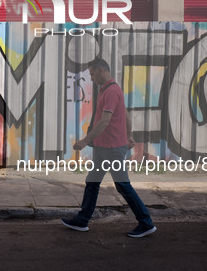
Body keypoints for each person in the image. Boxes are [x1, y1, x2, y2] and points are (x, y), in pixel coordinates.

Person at [61, 58, 156, 238]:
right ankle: (82, 220)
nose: (92, 78)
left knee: (123, 186)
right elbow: (126, 116)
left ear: (102, 70)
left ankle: (146, 222)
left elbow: (105, 121)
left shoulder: (111, 91)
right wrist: (128, 136)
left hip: (111, 150)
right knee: (92, 182)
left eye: (93, 74)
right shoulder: (109, 90)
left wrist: (85, 140)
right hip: (105, 149)